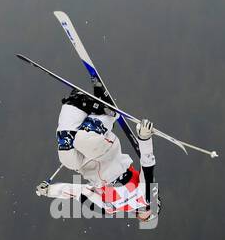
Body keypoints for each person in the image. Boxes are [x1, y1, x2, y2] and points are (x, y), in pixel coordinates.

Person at [36, 89, 159, 223]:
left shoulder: (108, 209)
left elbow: (78, 193)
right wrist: (145, 138)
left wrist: (49, 191)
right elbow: (147, 165)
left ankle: (74, 105)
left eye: (145, 219)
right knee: (83, 140)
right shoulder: (145, 195)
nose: (144, 215)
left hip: (86, 165)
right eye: (150, 212)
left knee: (67, 158)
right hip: (106, 154)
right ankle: (107, 116)